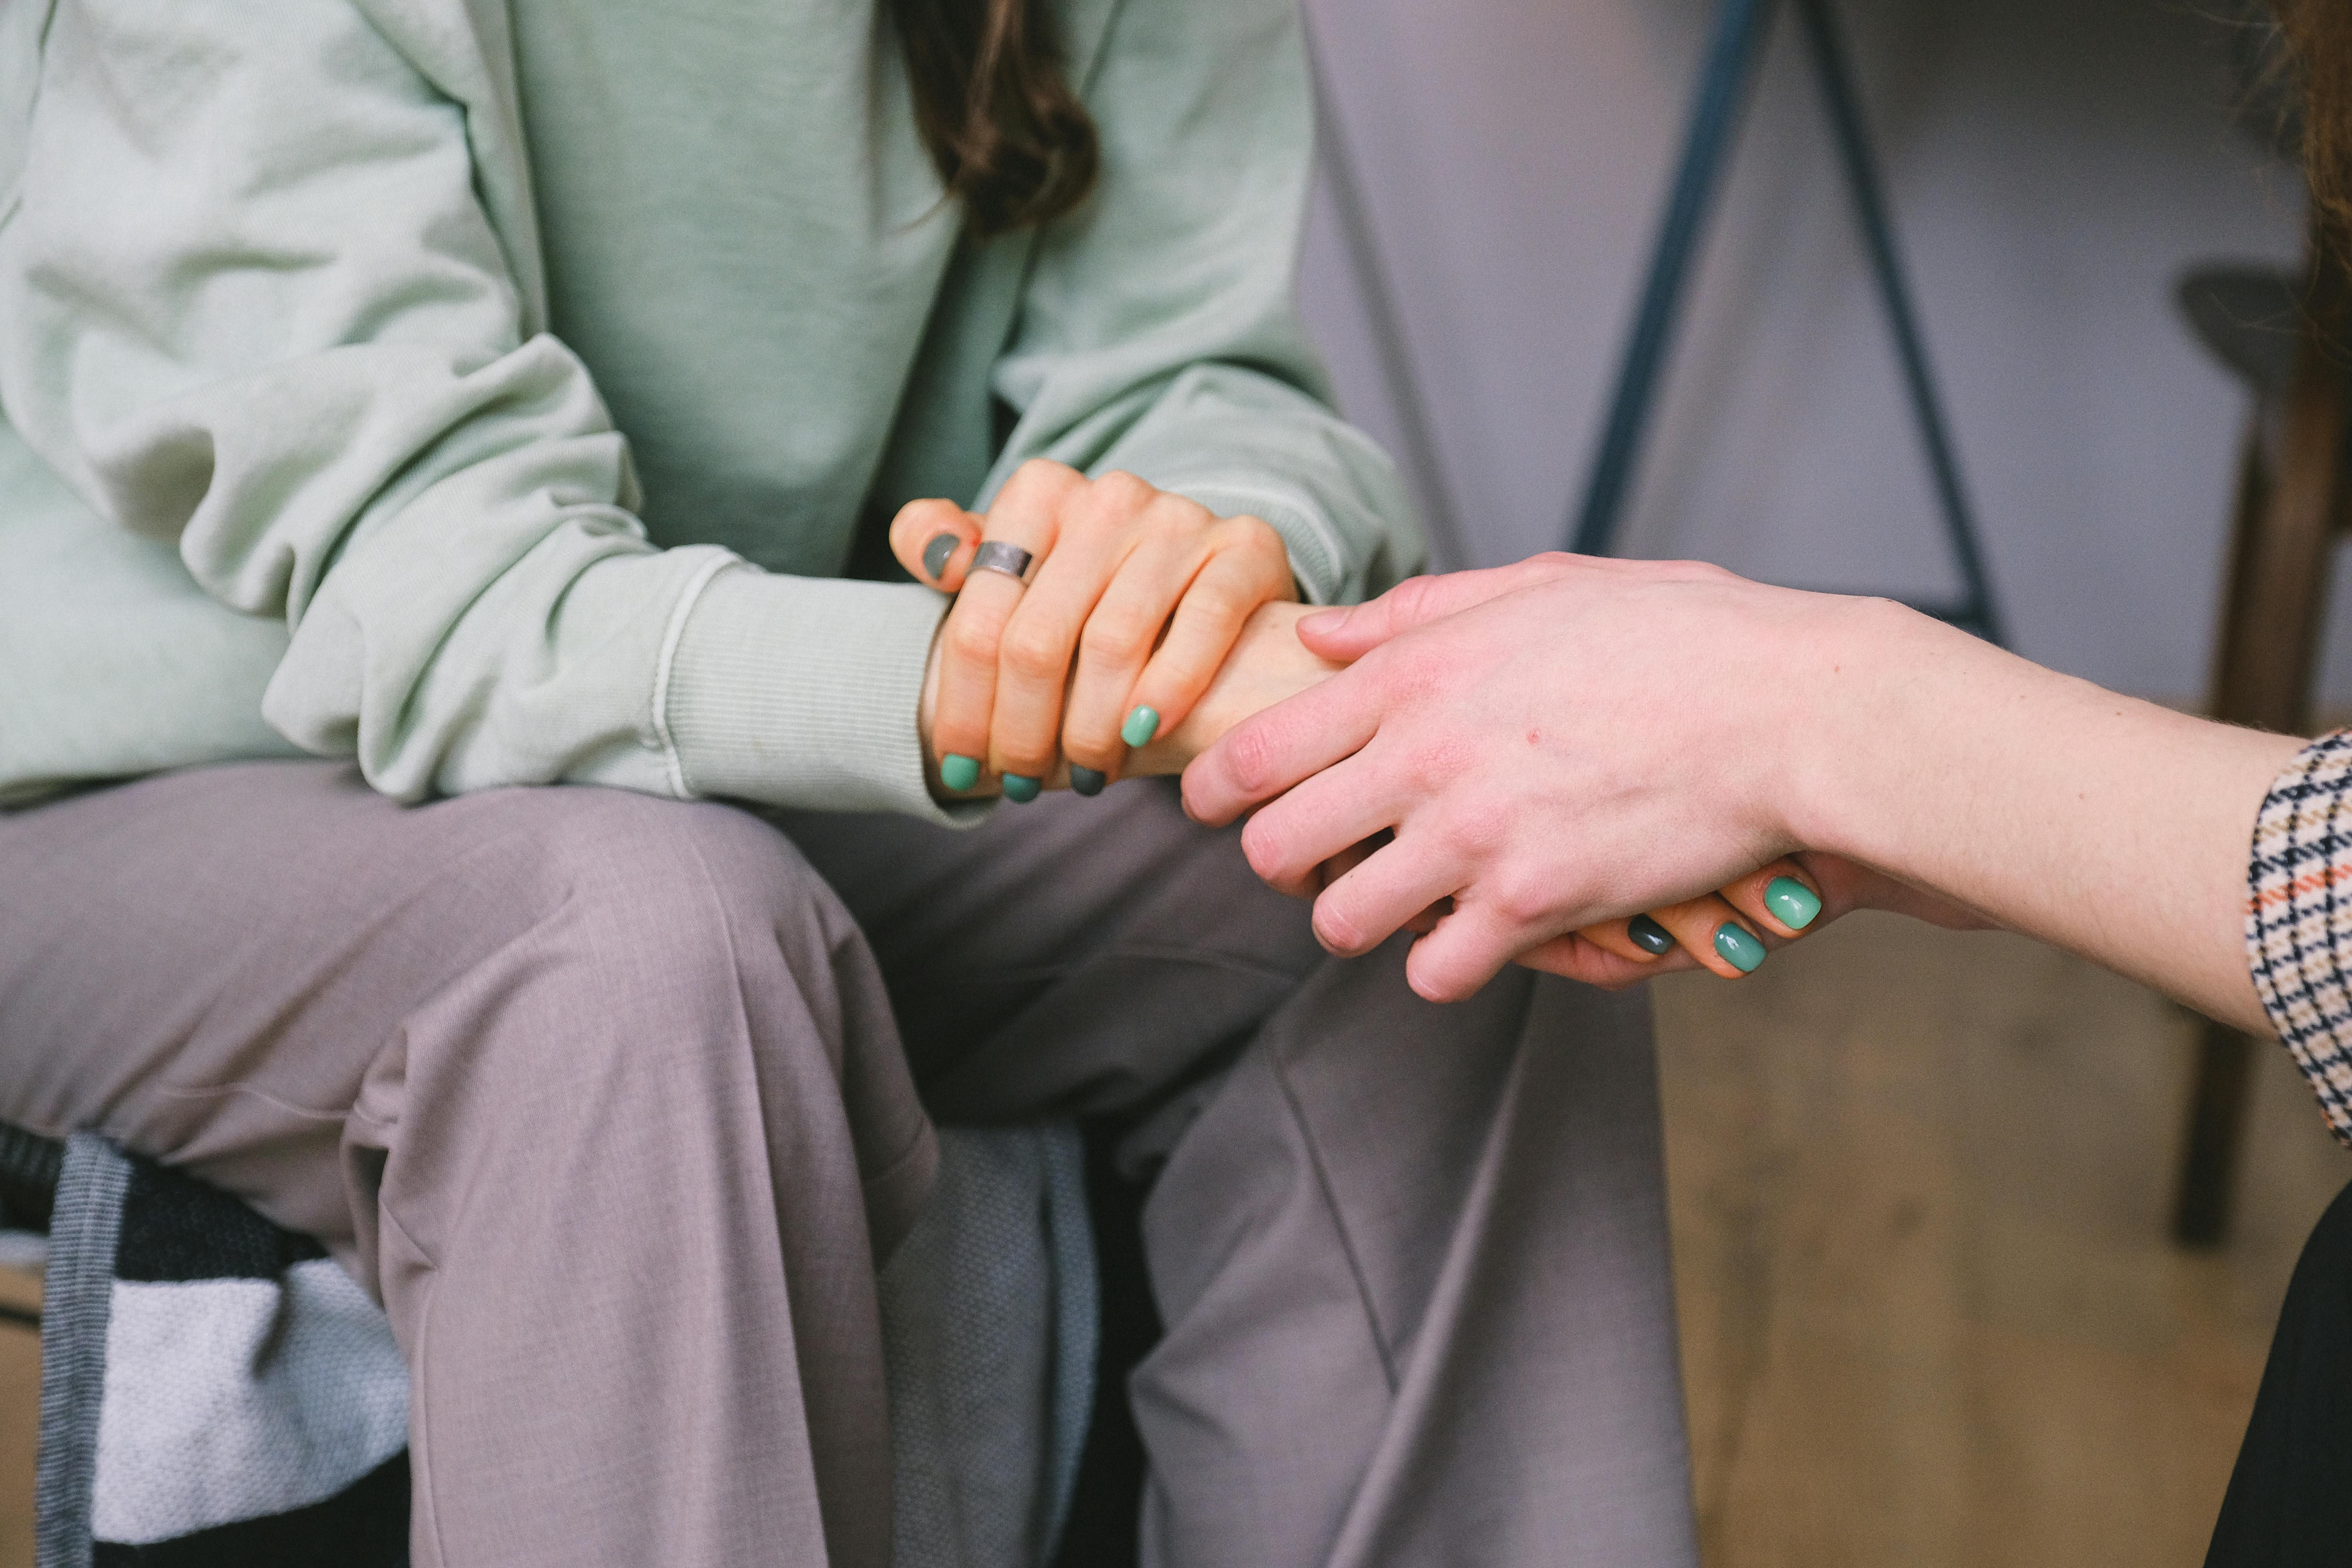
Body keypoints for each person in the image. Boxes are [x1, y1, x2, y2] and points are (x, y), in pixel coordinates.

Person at [0, 2, 1706, 1565]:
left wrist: (1192, 570)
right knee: (648, 949)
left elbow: (1198, 373)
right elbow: (446, 600)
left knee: (1419, 839)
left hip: (721, 761)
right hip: (132, 801)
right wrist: (1001, 680)